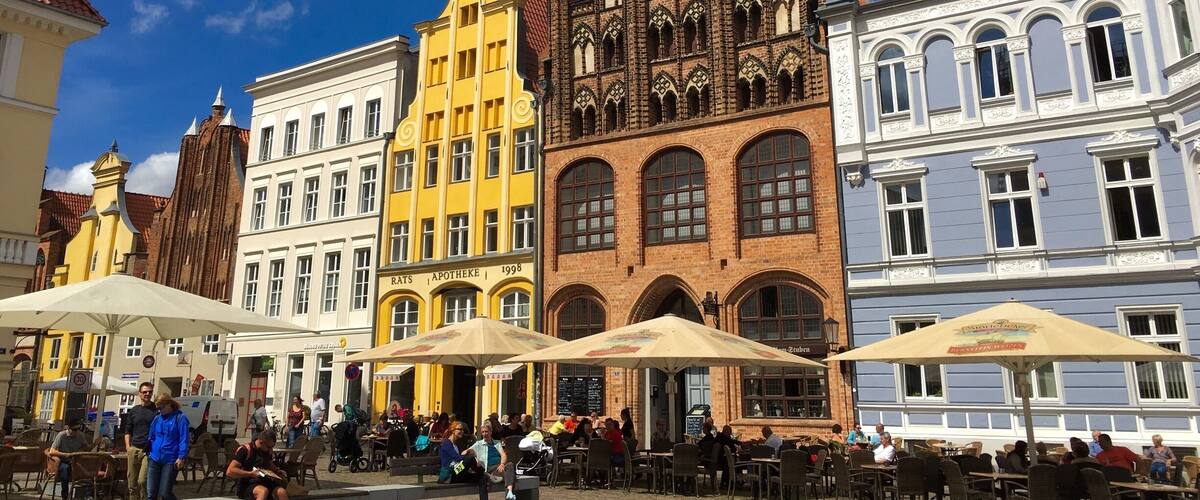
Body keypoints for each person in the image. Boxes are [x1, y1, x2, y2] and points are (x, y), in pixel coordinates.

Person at [145, 394, 191, 500]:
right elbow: (151, 436)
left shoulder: (180, 418)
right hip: (154, 457)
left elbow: (184, 439)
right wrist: (149, 451)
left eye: (161, 407)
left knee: (165, 492)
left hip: (170, 459)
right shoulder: (157, 419)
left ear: (168, 404)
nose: (159, 410)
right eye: (157, 408)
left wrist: (181, 456)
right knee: (151, 493)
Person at [226, 429, 289, 500]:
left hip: (264, 480)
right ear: (261, 442)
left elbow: (269, 463)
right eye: (269, 447)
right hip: (248, 483)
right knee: (263, 491)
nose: (271, 450)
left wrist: (277, 472)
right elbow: (230, 471)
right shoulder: (245, 450)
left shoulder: (266, 451)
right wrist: (250, 473)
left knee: (281, 492)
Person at [124, 382, 158, 500]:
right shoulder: (134, 410)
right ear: (140, 394)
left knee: (142, 481)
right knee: (131, 483)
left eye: (150, 392)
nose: (147, 394)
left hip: (149, 450)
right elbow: (127, 430)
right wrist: (128, 448)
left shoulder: (156, 410)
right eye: (145, 392)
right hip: (134, 449)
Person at [469, 423, 518, 500]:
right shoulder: (478, 444)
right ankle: (508, 491)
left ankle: (509, 492)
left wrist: (502, 464)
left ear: (491, 432)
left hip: (499, 468)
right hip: (489, 469)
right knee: (511, 474)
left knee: (510, 465)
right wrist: (471, 454)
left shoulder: (496, 443)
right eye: (483, 432)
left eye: (486, 431)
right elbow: (466, 452)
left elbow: (503, 454)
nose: (485, 434)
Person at [48, 416, 88, 499]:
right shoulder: (62, 435)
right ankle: (65, 495)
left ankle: (87, 494)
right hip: (63, 460)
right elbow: (51, 451)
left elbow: (87, 449)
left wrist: (95, 443)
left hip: (76, 461)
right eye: (74, 430)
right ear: (69, 429)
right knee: (64, 470)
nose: (76, 432)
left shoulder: (80, 435)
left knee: (88, 470)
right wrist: (66, 454)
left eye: (78, 429)